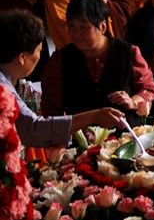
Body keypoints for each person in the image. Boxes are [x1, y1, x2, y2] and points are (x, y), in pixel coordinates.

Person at [0, 10, 124, 148]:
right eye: (39, 51)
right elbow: (34, 129)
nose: (39, 57)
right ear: (22, 57)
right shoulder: (3, 89)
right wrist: (93, 117)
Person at [42, 0, 154, 124]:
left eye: (83, 27)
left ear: (102, 26)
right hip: (80, 139)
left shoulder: (128, 53)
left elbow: (149, 89)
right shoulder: (60, 60)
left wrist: (133, 101)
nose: (76, 34)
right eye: (71, 27)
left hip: (125, 136)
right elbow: (50, 107)